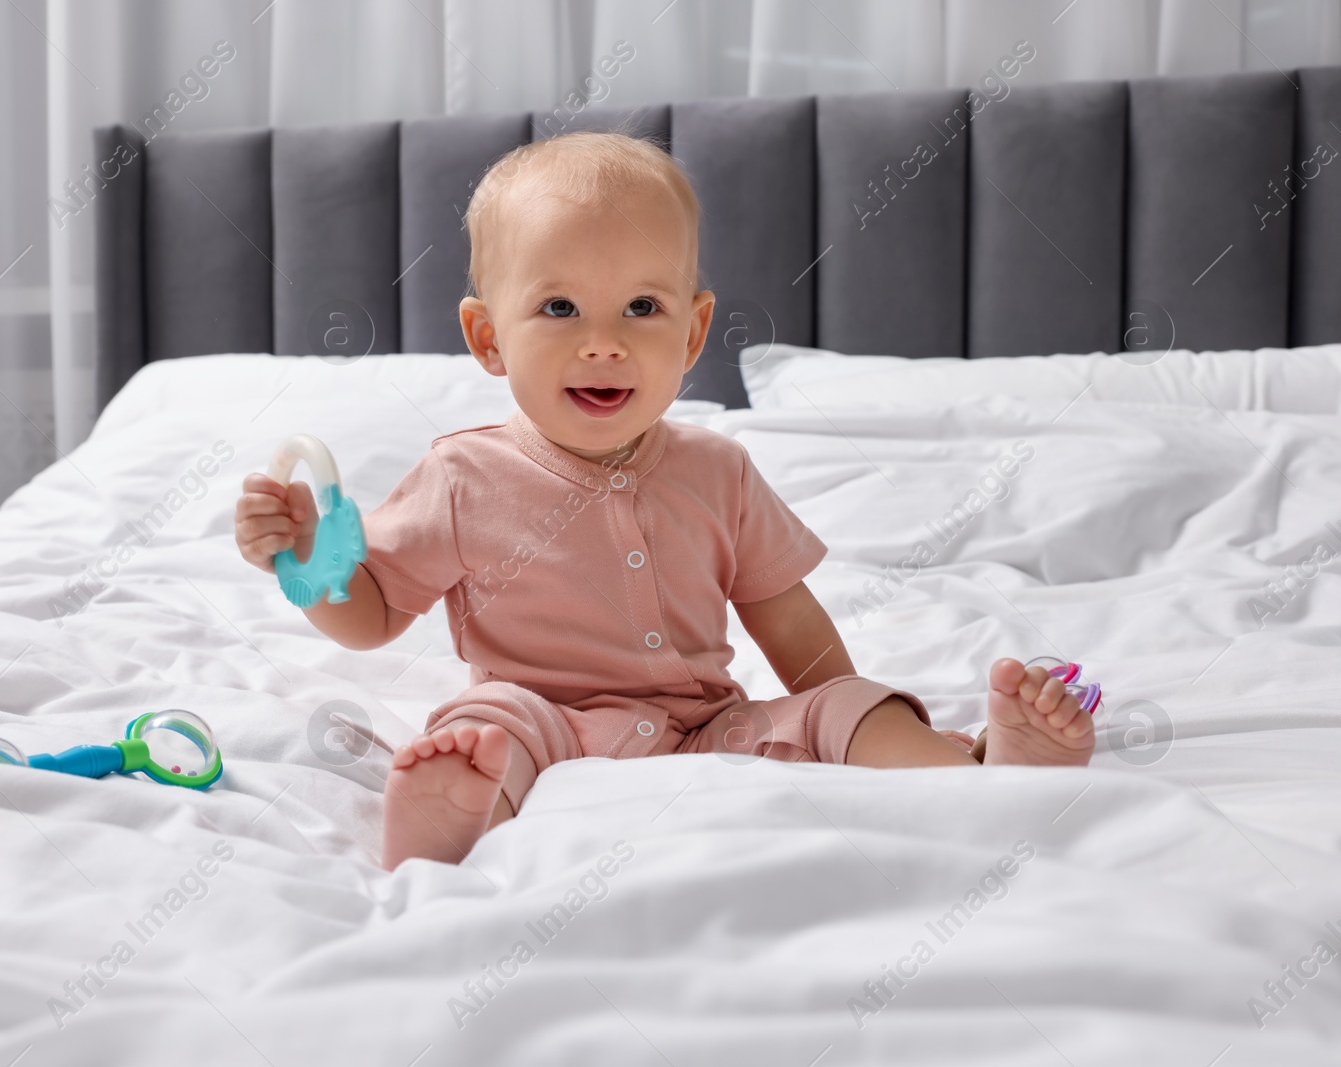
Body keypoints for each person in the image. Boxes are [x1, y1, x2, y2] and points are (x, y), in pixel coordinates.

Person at [234, 131, 1094, 871]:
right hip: (547, 728)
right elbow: (373, 617)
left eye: (641, 307)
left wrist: (851, 725)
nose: (603, 343)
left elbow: (790, 626)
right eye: (560, 307)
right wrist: (314, 564)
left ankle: (977, 775)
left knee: (846, 705)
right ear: (488, 339)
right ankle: (452, 815)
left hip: (709, 728)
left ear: (690, 332)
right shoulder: (463, 478)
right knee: (481, 722)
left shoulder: (717, 470)